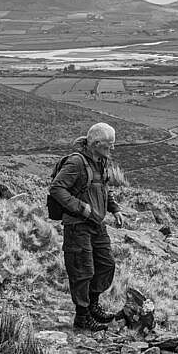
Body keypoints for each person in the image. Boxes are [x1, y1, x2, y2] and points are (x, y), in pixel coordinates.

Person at [49, 122, 125, 331]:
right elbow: (57, 188)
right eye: (109, 144)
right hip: (78, 225)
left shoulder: (100, 161)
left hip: (97, 224)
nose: (112, 148)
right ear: (97, 143)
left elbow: (103, 187)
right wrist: (81, 208)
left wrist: (114, 208)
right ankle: (82, 317)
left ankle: (93, 305)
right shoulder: (76, 162)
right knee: (83, 271)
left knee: (106, 264)